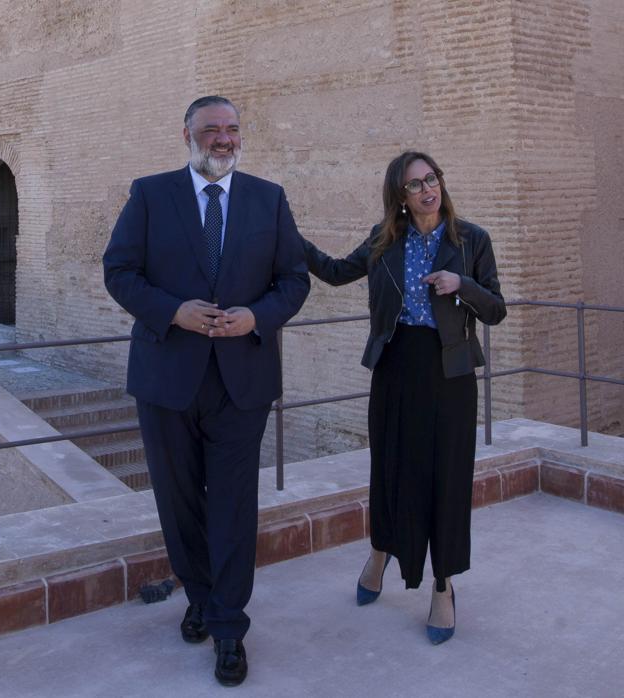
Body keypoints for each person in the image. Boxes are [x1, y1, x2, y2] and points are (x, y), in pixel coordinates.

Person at [103, 96, 309, 687]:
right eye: (211, 129)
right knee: (179, 500)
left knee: (234, 507)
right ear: (187, 134)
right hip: (167, 378)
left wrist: (256, 318)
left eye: (232, 129)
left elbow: (293, 280)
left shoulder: (268, 199)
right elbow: (119, 271)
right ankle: (198, 594)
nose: (224, 138)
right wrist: (173, 312)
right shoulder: (150, 194)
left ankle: (227, 627)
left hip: (242, 378)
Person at [301, 151, 506, 644]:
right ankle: (381, 550)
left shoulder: (471, 239)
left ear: (440, 182)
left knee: (447, 476)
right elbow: (332, 271)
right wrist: (285, 233)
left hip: (449, 371)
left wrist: (464, 285)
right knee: (391, 468)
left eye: (430, 179)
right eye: (414, 185)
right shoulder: (384, 240)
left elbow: (496, 309)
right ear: (401, 196)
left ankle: (443, 584)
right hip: (395, 367)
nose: (425, 190)